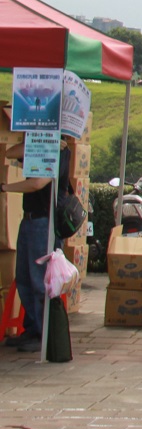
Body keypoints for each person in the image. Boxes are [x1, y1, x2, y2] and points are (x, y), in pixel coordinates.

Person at [3, 136, 74, 354]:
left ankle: (43, 334)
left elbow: (38, 183)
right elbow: (10, 152)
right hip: (30, 219)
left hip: (45, 221)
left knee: (38, 280)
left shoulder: (60, 151)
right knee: (24, 277)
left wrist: (4, 187)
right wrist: (39, 141)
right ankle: (32, 329)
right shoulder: (41, 145)